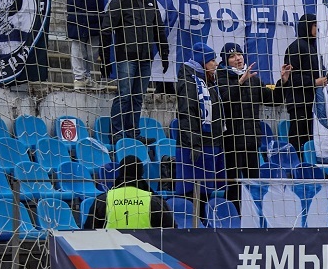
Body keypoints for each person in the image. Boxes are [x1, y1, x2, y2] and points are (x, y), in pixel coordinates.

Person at [215, 42, 290, 205]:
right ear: (225, 60)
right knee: (234, 187)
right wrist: (240, 83)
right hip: (231, 143)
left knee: (254, 184)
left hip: (251, 141)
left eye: (239, 54)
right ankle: (235, 214)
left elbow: (273, 100)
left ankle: (254, 216)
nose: (238, 58)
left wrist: (283, 82)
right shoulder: (220, 79)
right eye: (232, 56)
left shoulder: (253, 79)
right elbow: (224, 102)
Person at [103, 0, 169, 143]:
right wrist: (104, 58)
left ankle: (133, 133)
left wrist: (164, 54)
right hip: (126, 58)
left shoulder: (151, 2)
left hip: (146, 59)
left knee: (138, 98)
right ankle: (117, 134)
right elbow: (106, 30)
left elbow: (159, 30)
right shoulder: (119, 2)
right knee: (124, 96)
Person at [173, 42, 221, 219]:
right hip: (194, 146)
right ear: (203, 61)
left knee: (205, 192)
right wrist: (193, 143)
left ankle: (202, 223)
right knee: (191, 191)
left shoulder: (208, 81)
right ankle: (190, 226)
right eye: (212, 60)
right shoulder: (189, 81)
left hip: (209, 144)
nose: (216, 64)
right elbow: (187, 113)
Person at [82, 155, 175, 230]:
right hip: (145, 247)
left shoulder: (102, 200)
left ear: (120, 172)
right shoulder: (155, 201)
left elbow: (90, 231)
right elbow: (171, 232)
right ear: (141, 173)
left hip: (111, 247)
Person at [283, 13, 328, 153]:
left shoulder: (315, 48)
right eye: (314, 25)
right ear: (306, 26)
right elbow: (292, 78)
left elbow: (320, 71)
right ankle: (296, 163)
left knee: (312, 140)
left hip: (314, 104)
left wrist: (327, 77)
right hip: (299, 104)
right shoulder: (296, 47)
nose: (317, 29)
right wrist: (314, 82)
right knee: (298, 140)